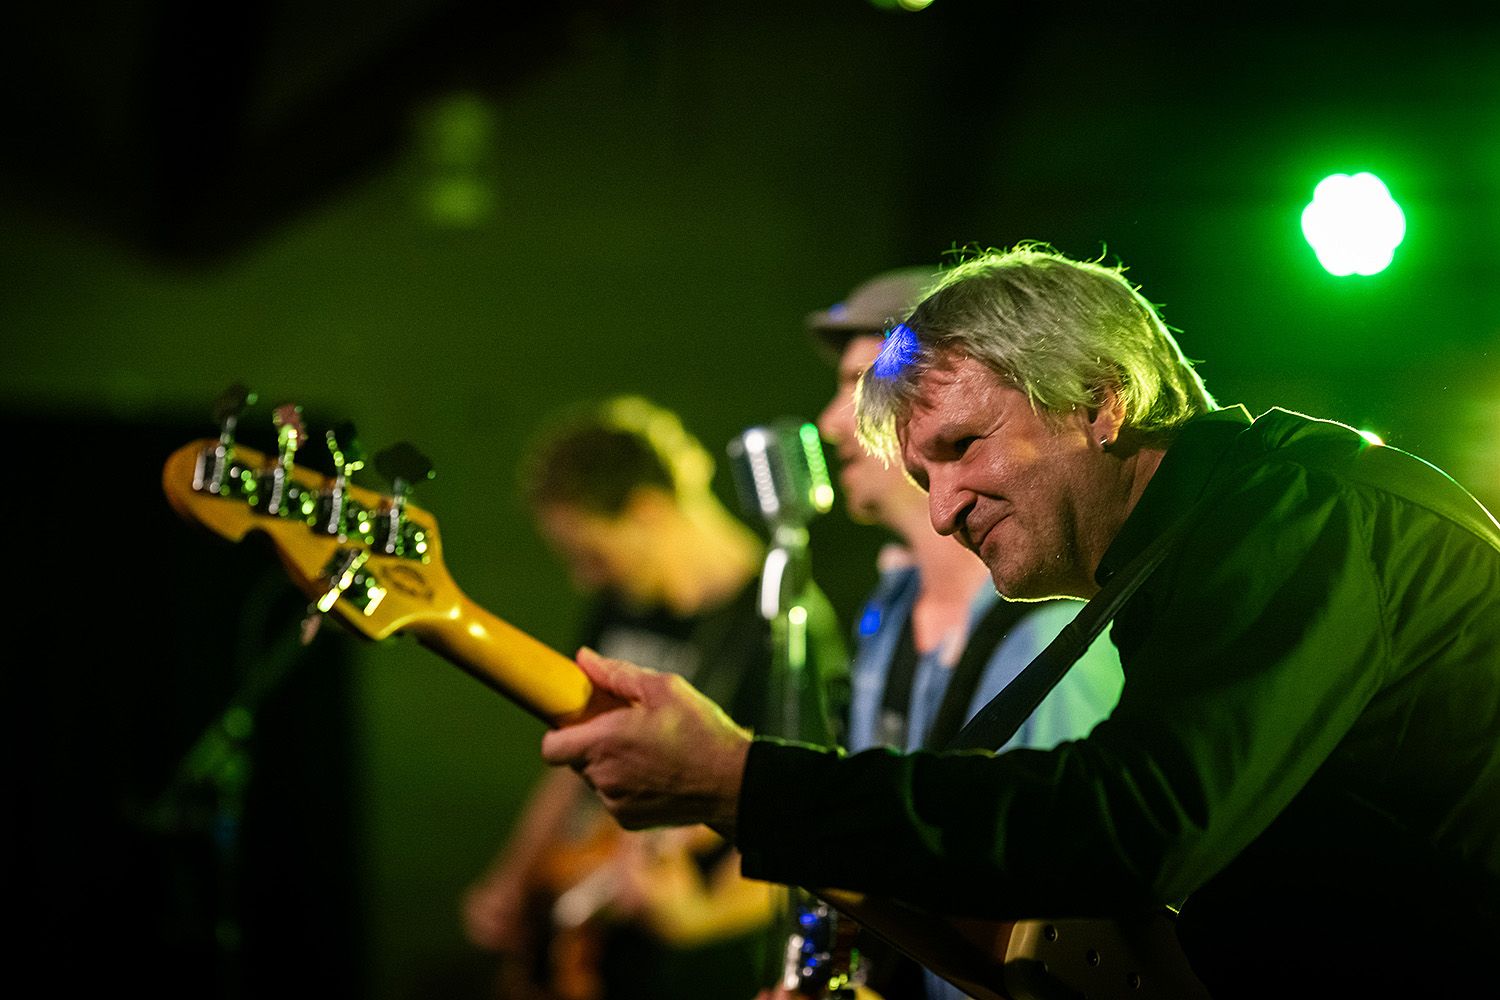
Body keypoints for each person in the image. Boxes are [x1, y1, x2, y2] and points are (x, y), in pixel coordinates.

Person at [536, 245, 1500, 998]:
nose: (943, 510)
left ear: (1100, 400)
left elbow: (1131, 824)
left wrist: (740, 780)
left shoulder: (1295, 513)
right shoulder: (1198, 549)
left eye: (962, 446)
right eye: (923, 476)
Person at [796, 268, 1124, 999]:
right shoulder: (888, 611)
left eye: (858, 384)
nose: (830, 423)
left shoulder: (1052, 634)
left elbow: (1061, 922)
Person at [462, 395, 847, 1000]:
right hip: (598, 946)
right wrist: (515, 878)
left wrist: (702, 918)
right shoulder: (623, 603)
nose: (584, 577)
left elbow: (814, 827)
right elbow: (573, 756)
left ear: (647, 511)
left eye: (590, 554)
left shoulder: (785, 627)